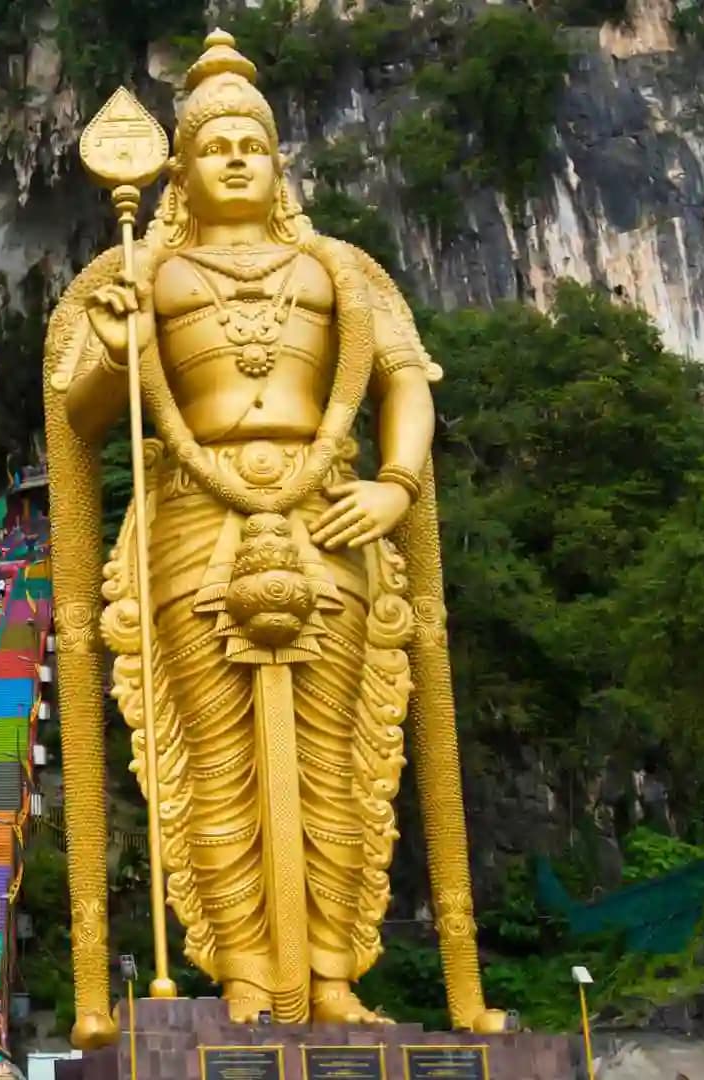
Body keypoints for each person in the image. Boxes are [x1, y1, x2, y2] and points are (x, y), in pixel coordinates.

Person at [44, 29, 507, 1029]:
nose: (238, 159)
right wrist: (117, 349)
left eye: (253, 143)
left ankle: (334, 972)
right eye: (215, 147)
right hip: (192, 523)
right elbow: (79, 417)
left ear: (280, 161)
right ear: (182, 171)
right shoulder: (146, 276)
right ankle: (246, 972)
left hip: (329, 515)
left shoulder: (342, 271)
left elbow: (406, 382)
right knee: (214, 768)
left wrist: (392, 483)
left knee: (335, 759)